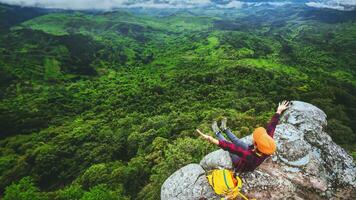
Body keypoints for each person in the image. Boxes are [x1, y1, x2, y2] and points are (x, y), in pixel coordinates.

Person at [197, 100, 290, 173]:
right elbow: (271, 127)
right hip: (251, 152)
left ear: (256, 145)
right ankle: (225, 129)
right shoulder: (267, 146)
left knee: (230, 145)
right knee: (237, 141)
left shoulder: (250, 156)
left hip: (240, 164)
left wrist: (211, 139)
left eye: (255, 139)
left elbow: (232, 148)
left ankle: (217, 133)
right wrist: (278, 111)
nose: (254, 138)